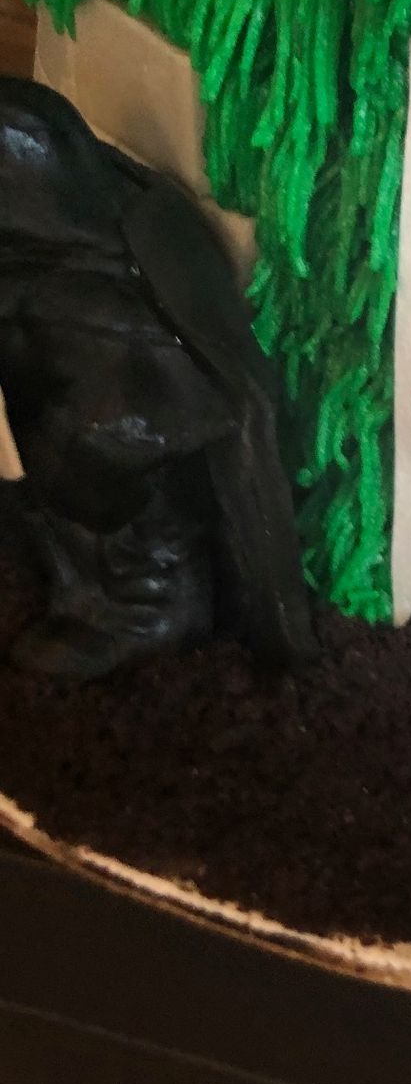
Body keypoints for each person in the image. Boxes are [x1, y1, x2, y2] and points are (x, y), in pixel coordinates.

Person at [0, 76, 314, 678]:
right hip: (70, 323)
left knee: (88, 447)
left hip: (126, 364)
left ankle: (146, 607)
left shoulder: (23, 136)